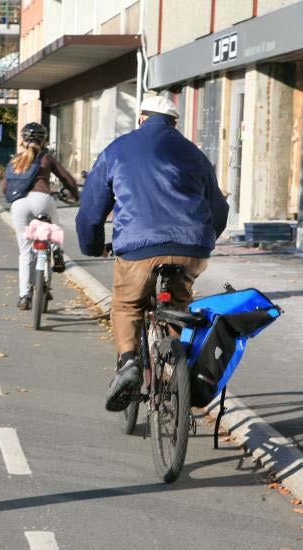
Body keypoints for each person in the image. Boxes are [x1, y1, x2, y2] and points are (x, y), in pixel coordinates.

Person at [76, 95, 229, 412]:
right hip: (192, 247)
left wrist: (92, 246)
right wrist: (203, 240)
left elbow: (91, 210)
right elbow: (219, 209)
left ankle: (129, 362)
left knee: (127, 304)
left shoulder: (118, 149)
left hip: (140, 246)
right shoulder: (195, 154)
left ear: (141, 118)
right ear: (174, 123)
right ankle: (176, 372)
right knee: (177, 303)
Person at [1, 122, 79, 310]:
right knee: (54, 229)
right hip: (43, 200)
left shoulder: (14, 160)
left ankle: (23, 296)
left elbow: (4, 188)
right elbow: (67, 179)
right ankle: (56, 249)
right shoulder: (46, 158)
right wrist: (76, 196)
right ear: (43, 140)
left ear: (23, 140)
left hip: (19, 205)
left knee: (25, 251)